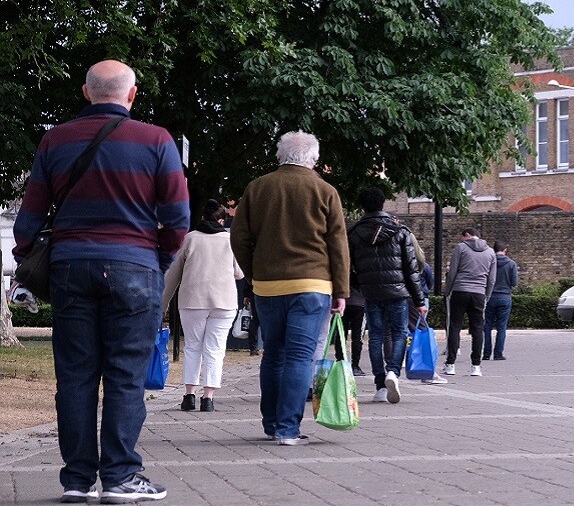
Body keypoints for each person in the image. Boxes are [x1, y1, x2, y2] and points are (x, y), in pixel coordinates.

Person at [12, 60, 189, 503]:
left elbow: (28, 218)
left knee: (75, 376)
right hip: (134, 266)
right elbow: (177, 218)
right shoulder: (156, 140)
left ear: (86, 92)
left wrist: (29, 259)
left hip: (70, 266)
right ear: (131, 95)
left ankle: (76, 479)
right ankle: (121, 477)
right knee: (126, 376)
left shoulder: (55, 140)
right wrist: (158, 257)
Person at [230, 131, 349, 446]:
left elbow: (238, 238)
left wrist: (255, 274)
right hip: (313, 284)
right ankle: (288, 429)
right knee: (300, 356)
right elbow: (337, 245)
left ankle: (271, 424)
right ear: (313, 158)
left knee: (274, 355)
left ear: (280, 155)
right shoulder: (325, 191)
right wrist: (341, 290)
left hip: (267, 286)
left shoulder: (257, 188)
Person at [163, 200, 244, 413]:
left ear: (201, 218)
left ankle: (189, 395)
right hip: (224, 301)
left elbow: (173, 274)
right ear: (221, 220)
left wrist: (163, 303)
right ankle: (208, 398)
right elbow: (239, 273)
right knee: (215, 349)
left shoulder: (189, 239)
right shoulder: (230, 240)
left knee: (193, 347)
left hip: (192, 301)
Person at [347, 187, 427, 402]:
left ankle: (380, 385)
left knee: (375, 336)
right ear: (383, 204)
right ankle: (393, 371)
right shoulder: (401, 232)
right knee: (399, 333)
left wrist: (362, 284)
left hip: (371, 293)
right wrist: (419, 300)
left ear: (362, 206)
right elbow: (412, 269)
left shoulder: (353, 234)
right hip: (398, 292)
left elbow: (347, 268)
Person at [443, 228, 496, 377]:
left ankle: (450, 364)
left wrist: (448, 291)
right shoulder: (490, 252)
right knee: (478, 330)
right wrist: (487, 296)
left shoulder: (461, 248)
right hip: (479, 293)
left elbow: (452, 271)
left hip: (460, 291)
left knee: (454, 327)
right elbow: (491, 279)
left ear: (467, 235)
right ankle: (476, 366)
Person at [484, 241, 518, 360]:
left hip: (489, 296)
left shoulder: (489, 262)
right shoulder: (511, 264)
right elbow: (514, 283)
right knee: (501, 327)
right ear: (505, 250)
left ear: (494, 250)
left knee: (487, 326)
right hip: (504, 296)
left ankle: (486, 353)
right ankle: (498, 354)